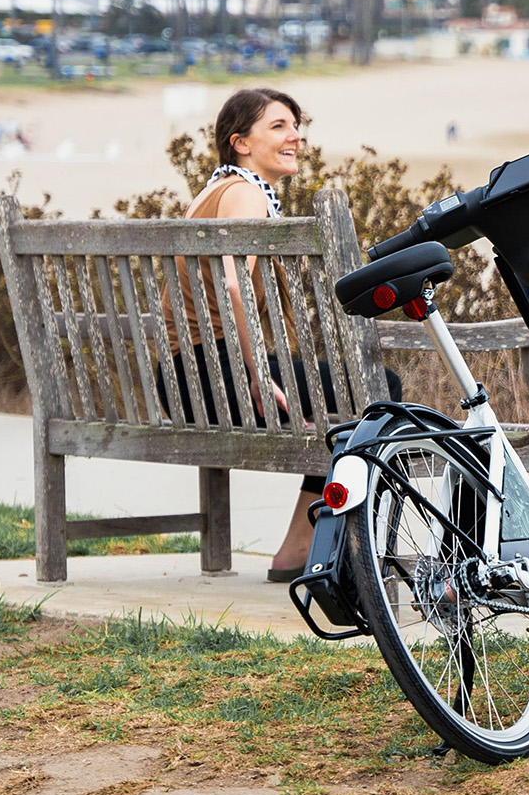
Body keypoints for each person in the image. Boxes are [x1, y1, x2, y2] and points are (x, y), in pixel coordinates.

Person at [162, 86, 397, 581]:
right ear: (240, 142)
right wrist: (258, 372)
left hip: (186, 377)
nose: (296, 136)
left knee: (350, 399)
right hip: (216, 377)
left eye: (296, 125)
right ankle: (305, 546)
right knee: (379, 391)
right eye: (279, 126)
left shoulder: (217, 190)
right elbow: (232, 283)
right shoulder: (245, 192)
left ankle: (299, 548)